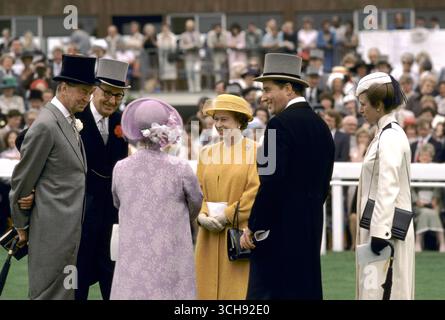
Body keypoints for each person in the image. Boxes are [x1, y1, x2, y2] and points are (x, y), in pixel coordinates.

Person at [240, 53, 335, 299]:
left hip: (277, 233)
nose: (263, 97)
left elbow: (270, 182)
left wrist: (254, 226)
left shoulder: (277, 125)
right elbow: (324, 183)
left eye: (268, 89)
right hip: (310, 227)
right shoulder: (321, 126)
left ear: (289, 89)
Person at [9, 54, 97, 300]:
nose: (87, 98)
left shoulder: (66, 120)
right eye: (82, 91)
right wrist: (21, 226)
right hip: (50, 233)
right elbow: (22, 180)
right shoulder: (46, 124)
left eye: (90, 92)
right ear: (63, 88)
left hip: (67, 232)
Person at [110, 97, 202, 299]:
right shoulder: (180, 168)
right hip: (171, 247)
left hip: (134, 249)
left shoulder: (120, 168)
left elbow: (117, 202)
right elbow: (196, 203)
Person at [73, 58, 130, 300]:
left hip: (112, 218)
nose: (112, 101)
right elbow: (27, 140)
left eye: (118, 96)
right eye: (107, 93)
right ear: (94, 89)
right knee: (77, 282)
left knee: (114, 283)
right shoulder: (75, 115)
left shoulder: (123, 121)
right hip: (80, 214)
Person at [355, 72, 414, 300]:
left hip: (386, 232)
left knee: (380, 293)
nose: (361, 110)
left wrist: (380, 232)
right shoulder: (385, 133)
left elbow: (388, 185)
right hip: (383, 226)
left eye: (363, 104)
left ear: (378, 105)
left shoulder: (389, 136)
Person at [194, 94, 260, 300]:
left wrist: (226, 216)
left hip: (239, 235)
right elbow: (199, 191)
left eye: (224, 119)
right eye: (216, 119)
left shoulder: (257, 151)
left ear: (239, 121)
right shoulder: (206, 152)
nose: (218, 125)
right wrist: (202, 216)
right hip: (208, 235)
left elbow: (255, 192)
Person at [412, 143, 445, 252]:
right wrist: (416, 200)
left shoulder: (435, 169)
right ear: (419, 157)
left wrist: (435, 199)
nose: (425, 158)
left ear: (431, 157)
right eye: (423, 155)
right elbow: (410, 188)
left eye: (427, 155)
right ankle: (439, 242)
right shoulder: (414, 168)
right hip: (417, 203)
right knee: (425, 212)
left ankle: (440, 243)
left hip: (433, 202)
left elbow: (438, 187)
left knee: (431, 212)